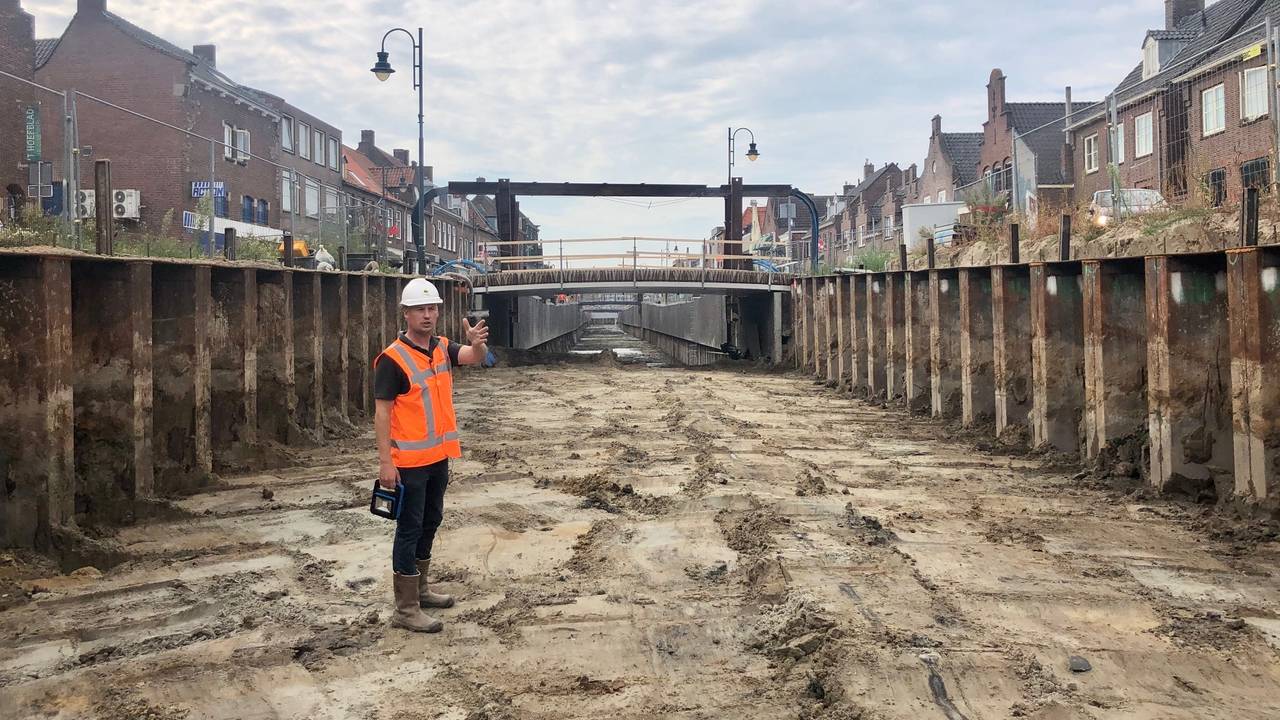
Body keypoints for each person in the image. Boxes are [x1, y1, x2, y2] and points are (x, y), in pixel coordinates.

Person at [373, 277, 489, 633]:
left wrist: (477, 345)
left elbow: (471, 358)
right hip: (408, 463)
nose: (428, 315)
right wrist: (385, 463)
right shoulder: (392, 359)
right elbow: (381, 413)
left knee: (431, 521)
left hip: (438, 457)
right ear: (406, 314)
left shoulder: (440, 347)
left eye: (432, 308)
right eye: (420, 309)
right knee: (409, 528)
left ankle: (420, 589)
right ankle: (405, 608)